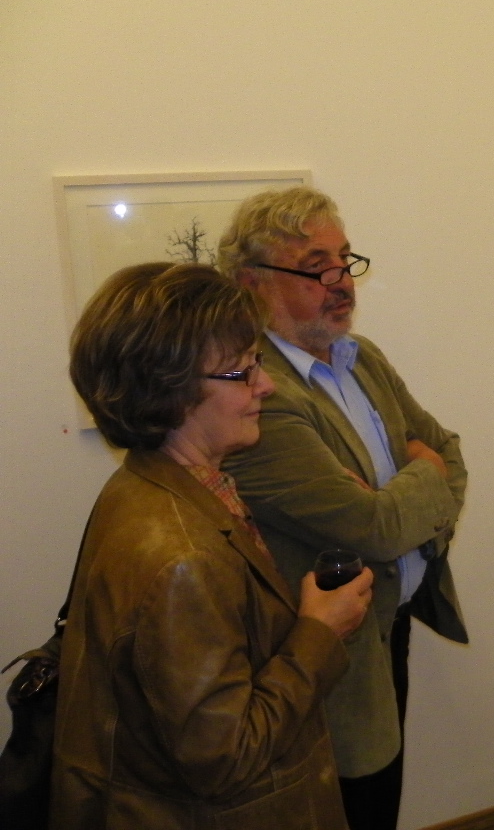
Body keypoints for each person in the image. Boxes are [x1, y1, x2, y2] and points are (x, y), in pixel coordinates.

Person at [52, 262, 374, 830]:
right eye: (243, 371)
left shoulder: (148, 484)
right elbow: (226, 756)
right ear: (171, 391)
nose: (266, 385)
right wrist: (320, 632)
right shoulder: (183, 557)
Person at [217, 187, 467, 830]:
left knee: (382, 796)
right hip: (326, 656)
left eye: (345, 260)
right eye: (315, 267)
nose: (342, 282)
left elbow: (449, 451)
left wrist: (411, 483)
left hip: (391, 624)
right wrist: (421, 477)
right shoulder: (260, 395)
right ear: (252, 284)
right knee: (351, 806)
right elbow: (373, 529)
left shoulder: (363, 358)